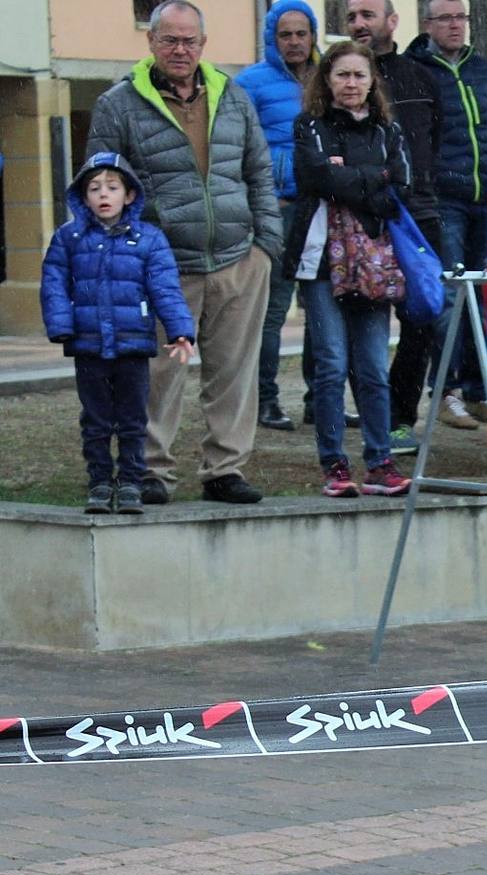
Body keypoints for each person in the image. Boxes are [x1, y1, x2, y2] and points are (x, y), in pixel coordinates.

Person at [85, 0, 282, 505]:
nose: (180, 49)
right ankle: (151, 471)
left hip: (239, 258)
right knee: (156, 374)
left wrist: (266, 246)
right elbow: (100, 182)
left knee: (235, 373)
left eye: (189, 40)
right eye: (169, 39)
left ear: (203, 44)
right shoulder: (118, 104)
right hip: (160, 265)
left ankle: (225, 469)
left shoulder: (232, 96)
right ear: (150, 42)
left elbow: (259, 172)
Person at [283, 40, 412, 499]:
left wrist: (349, 177)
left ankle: (380, 461)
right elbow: (315, 178)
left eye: (359, 75)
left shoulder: (387, 132)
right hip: (320, 264)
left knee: (375, 368)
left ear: (372, 80)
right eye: (342, 75)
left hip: (375, 265)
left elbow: (397, 186)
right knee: (332, 365)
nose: (351, 84)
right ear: (328, 80)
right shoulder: (309, 126)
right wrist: (368, 176)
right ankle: (334, 463)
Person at [40, 153, 197, 514]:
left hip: (133, 343)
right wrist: (62, 325)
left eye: (112, 187)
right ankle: (98, 481)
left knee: (132, 419)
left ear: (129, 195)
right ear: (83, 197)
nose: (103, 195)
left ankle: (130, 481)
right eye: (94, 188)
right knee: (95, 419)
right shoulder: (69, 237)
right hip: (89, 343)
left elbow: (165, 288)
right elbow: (54, 284)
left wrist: (180, 329)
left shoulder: (149, 239)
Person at [408, 0, 487, 430]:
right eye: (447, 19)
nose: (456, 26)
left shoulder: (481, 68)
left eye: (461, 18)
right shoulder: (416, 69)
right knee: (451, 296)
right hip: (445, 200)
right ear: (428, 24)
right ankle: (447, 391)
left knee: (484, 297)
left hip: (485, 198)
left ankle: (478, 390)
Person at [349, 0, 445, 457]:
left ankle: (402, 418)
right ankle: (375, 416)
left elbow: (438, 139)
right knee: (363, 316)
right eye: (350, 17)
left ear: (392, 22)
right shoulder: (340, 82)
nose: (358, 23)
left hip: (418, 214)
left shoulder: (420, 78)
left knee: (421, 316)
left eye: (367, 14)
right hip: (362, 215)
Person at [234, 0, 317, 433]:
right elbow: (236, 149)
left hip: (322, 209)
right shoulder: (249, 83)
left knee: (322, 310)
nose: (295, 41)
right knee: (273, 311)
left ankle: (317, 401)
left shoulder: (328, 78)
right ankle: (265, 400)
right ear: (273, 37)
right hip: (278, 211)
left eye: (301, 32)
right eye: (285, 34)